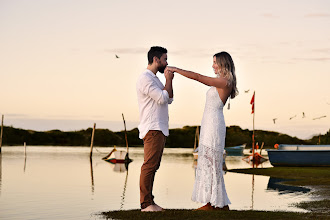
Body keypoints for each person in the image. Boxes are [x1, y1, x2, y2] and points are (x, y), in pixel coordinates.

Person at [166, 51, 238, 211]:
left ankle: (214, 203)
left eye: (215, 62)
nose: (212, 65)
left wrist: (176, 69)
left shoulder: (224, 82)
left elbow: (198, 77)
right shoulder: (221, 81)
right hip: (208, 123)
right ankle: (216, 202)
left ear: (223, 63)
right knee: (207, 161)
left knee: (212, 162)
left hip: (214, 124)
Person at [136, 46, 174, 212]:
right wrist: (169, 80)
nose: (166, 63)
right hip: (152, 127)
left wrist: (167, 82)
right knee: (149, 166)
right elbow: (161, 98)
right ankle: (145, 204)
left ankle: (150, 201)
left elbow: (169, 98)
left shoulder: (154, 79)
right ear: (156, 59)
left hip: (159, 127)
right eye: (165, 59)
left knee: (153, 165)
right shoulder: (145, 79)